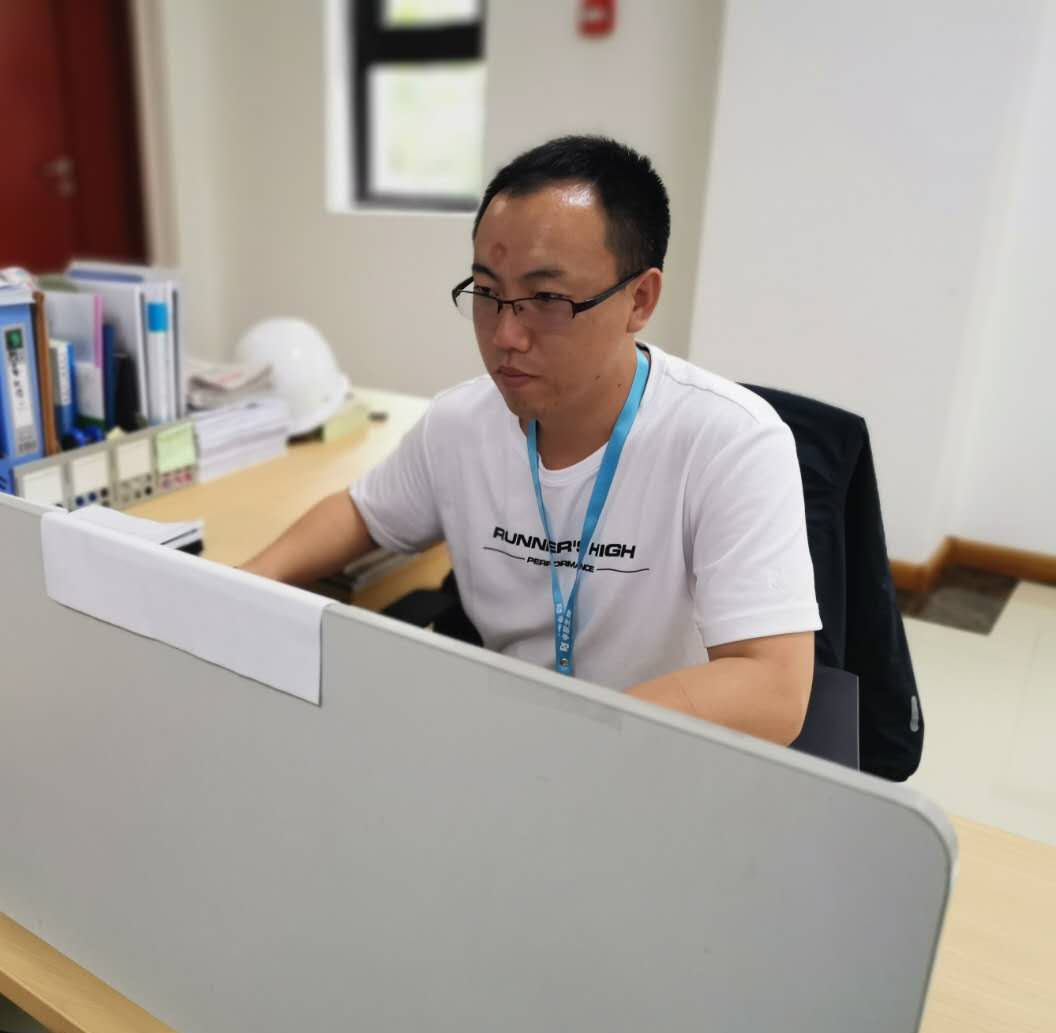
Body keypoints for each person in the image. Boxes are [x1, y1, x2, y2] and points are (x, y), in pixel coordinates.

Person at [242, 135, 820, 745]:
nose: (506, 336)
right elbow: (364, 514)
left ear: (640, 299)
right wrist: (243, 583)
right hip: (507, 741)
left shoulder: (731, 442)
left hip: (662, 751)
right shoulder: (460, 423)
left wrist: (577, 738)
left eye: (546, 299)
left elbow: (774, 690)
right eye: (488, 294)